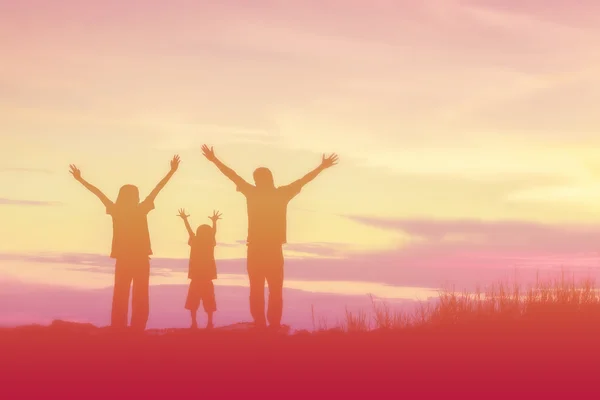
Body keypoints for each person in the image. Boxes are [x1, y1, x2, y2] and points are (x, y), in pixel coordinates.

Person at [201, 144, 338, 330]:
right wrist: (321, 167)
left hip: (258, 249)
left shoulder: (254, 192)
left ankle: (263, 324)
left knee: (258, 290)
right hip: (271, 249)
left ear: (258, 180)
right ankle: (270, 324)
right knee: (273, 290)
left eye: (256, 179)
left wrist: (214, 160)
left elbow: (232, 175)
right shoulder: (280, 194)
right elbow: (303, 181)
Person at [69, 155, 180, 332]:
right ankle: (137, 327)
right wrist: (171, 171)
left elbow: (98, 193)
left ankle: (119, 326)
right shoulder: (140, 209)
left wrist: (81, 179)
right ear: (135, 197)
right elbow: (157, 189)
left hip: (124, 259)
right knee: (140, 294)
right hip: (140, 259)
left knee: (121, 293)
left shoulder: (116, 210)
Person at [177, 208, 221, 329]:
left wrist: (185, 219)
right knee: (209, 302)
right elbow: (213, 233)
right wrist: (215, 222)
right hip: (207, 278)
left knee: (193, 303)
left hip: (196, 278)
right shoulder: (209, 242)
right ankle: (209, 323)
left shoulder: (195, 241)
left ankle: (194, 323)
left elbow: (189, 231)